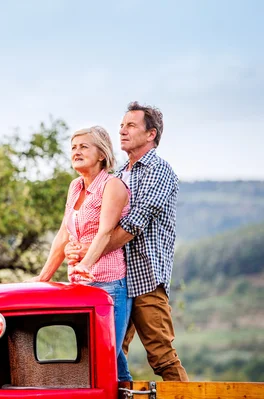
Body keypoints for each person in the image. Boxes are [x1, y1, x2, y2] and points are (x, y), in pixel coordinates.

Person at [66, 102, 189, 381]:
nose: (122, 130)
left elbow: (132, 225)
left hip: (145, 278)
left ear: (151, 134)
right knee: (109, 353)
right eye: (121, 125)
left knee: (161, 355)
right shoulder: (119, 174)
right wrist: (76, 248)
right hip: (116, 277)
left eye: (131, 125)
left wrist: (88, 253)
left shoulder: (160, 171)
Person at [31, 125, 132, 381]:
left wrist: (85, 263)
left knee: (105, 357)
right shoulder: (75, 186)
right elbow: (63, 234)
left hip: (109, 285)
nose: (76, 151)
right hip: (80, 286)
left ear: (101, 154)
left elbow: (106, 233)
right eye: (73, 147)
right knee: (97, 357)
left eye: (83, 146)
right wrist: (43, 278)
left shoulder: (113, 186)